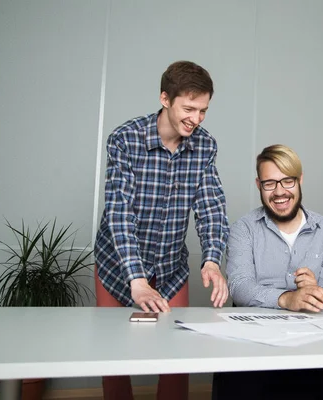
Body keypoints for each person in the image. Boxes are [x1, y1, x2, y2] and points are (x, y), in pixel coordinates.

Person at [94, 60, 230, 400]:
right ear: (165, 98)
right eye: (189, 108)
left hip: (170, 267)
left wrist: (211, 259)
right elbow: (118, 211)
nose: (196, 119)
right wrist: (136, 280)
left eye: (203, 110)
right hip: (118, 266)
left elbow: (210, 204)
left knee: (176, 357)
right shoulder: (125, 139)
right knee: (112, 359)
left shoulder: (205, 146)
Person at [212, 144, 323, 400]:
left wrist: (316, 290)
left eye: (287, 181)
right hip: (256, 338)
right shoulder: (244, 229)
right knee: (238, 384)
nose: (280, 192)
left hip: (314, 337)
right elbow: (239, 287)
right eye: (269, 184)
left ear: (300, 180)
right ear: (258, 185)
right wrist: (288, 298)